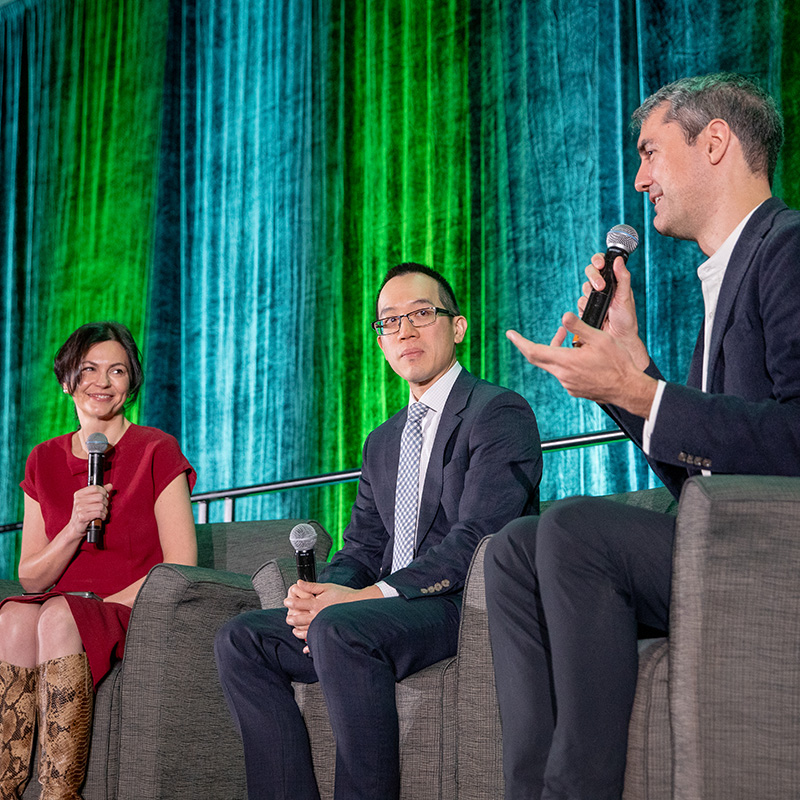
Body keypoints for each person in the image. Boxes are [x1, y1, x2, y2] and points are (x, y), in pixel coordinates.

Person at [484, 73, 800, 799]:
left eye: (651, 152)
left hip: (775, 551)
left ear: (714, 142)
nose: (639, 179)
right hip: (727, 537)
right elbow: (705, 482)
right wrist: (631, 374)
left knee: (576, 529)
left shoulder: (787, 249)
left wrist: (643, 392)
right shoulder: (726, 275)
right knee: (513, 549)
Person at [214, 262, 543, 800]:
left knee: (340, 629)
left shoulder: (497, 412)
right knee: (242, 638)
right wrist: (324, 592)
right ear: (381, 341)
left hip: (458, 604)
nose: (405, 331)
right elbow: (363, 548)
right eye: (390, 321)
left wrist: (362, 598)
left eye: (421, 314)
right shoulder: (382, 440)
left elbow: (480, 538)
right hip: (380, 611)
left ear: (458, 327)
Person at [0, 322, 197, 800]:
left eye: (117, 371)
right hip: (61, 606)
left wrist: (96, 604)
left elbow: (181, 564)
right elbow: (30, 577)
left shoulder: (155, 448)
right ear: (67, 380)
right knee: (13, 616)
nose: (102, 382)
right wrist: (74, 525)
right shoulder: (42, 458)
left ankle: (59, 794)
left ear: (132, 383)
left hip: (128, 605)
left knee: (57, 614)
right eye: (88, 369)